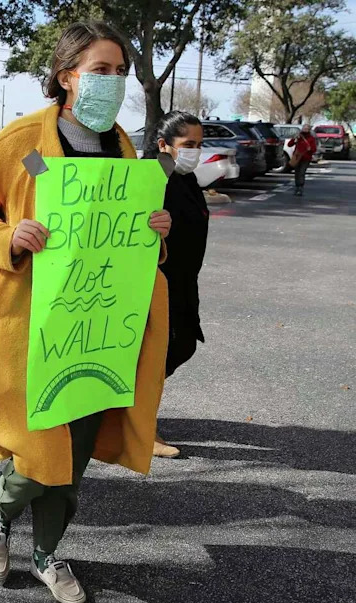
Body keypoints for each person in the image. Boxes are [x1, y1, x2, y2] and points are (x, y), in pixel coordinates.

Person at [0, 21, 172, 603]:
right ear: (67, 75)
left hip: (94, 331)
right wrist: (9, 237)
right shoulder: (22, 143)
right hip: (27, 331)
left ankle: (48, 552)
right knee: (34, 450)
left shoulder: (123, 146)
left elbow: (124, 235)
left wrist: (155, 233)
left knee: (72, 456)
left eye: (119, 71)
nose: (113, 81)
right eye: (100, 70)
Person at [145, 111, 209, 459]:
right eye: (188, 145)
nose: (195, 151)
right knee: (157, 355)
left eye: (199, 144)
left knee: (183, 345)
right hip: (158, 284)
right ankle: (144, 429)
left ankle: (131, 412)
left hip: (185, 281)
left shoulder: (185, 178)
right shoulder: (153, 178)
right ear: (163, 145)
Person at [288, 124, 317, 197]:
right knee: (297, 173)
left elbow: (314, 149)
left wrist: (310, 149)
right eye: (304, 128)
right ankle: (297, 187)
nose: (305, 130)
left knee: (302, 172)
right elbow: (289, 144)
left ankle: (300, 188)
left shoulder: (311, 138)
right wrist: (294, 139)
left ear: (309, 130)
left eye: (307, 129)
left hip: (306, 158)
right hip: (297, 157)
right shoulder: (298, 136)